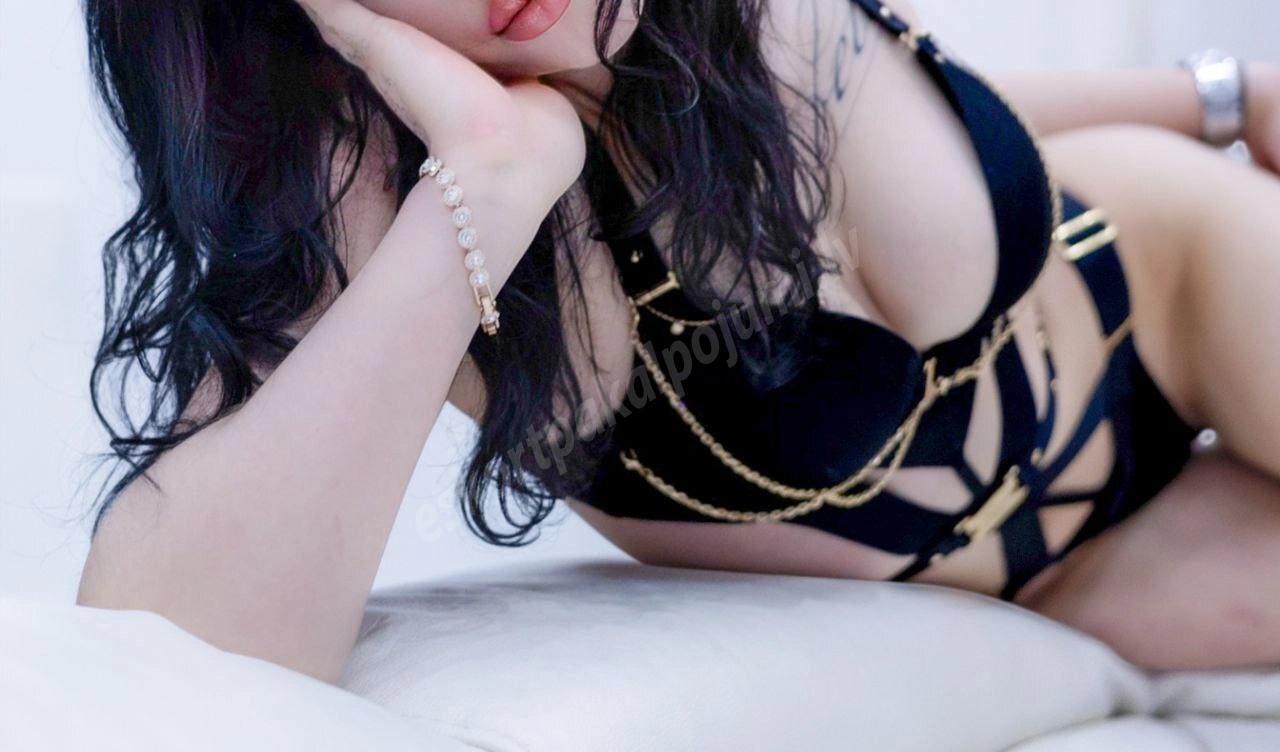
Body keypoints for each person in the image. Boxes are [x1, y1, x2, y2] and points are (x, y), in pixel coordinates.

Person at [78, 0, 1280, 683]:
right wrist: (487, 187)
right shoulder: (369, 198)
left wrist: (1222, 97)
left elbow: (925, 116)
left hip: (1173, 272)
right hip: (1068, 579)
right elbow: (168, 656)